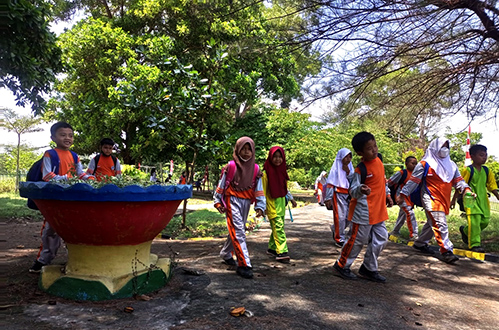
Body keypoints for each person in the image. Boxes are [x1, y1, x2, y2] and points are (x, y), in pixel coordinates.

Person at [29, 122, 95, 273]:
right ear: (53, 137)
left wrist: (91, 178)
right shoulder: (49, 154)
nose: (67, 138)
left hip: (72, 199)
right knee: (50, 230)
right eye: (63, 135)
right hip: (55, 199)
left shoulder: (74, 155)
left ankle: (76, 260)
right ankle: (43, 260)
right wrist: (67, 179)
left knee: (74, 229)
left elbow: (80, 173)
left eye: (70, 135)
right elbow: (47, 175)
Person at [398, 138, 472, 264]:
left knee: (432, 223)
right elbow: (413, 182)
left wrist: (466, 189)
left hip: (444, 200)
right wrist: (403, 195)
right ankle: (446, 250)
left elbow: (458, 180)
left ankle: (420, 244)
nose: (445, 149)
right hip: (430, 199)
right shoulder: (424, 164)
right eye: (442, 145)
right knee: (440, 224)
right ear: (435, 147)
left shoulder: (452, 165)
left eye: (447, 146)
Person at [333, 132, 393, 282]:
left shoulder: (379, 161)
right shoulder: (360, 169)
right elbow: (352, 190)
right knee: (357, 240)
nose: (374, 150)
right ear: (360, 153)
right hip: (363, 212)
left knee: (382, 238)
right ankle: (342, 265)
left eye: (375, 146)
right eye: (369, 148)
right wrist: (361, 189)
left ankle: (368, 268)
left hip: (378, 210)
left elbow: (382, 182)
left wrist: (388, 195)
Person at [214, 137, 266, 279]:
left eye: (249, 149)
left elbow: (259, 188)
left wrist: (260, 205)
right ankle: (244, 264)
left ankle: (225, 253)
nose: (246, 152)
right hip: (231, 200)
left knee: (238, 229)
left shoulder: (255, 169)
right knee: (238, 230)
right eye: (243, 148)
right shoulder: (230, 166)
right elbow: (222, 183)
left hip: (246, 201)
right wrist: (217, 201)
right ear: (237, 149)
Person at [451, 144, 499, 252]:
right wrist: (453, 199)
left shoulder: (487, 171)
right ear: (472, 156)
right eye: (481, 155)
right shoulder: (468, 170)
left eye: (485, 155)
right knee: (474, 221)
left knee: (484, 221)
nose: (484, 157)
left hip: (483, 200)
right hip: (470, 200)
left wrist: (497, 195)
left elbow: (492, 185)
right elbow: (460, 185)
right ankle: (474, 244)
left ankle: (465, 231)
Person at [262, 146, 297, 263]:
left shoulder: (282, 171)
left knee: (278, 226)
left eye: (280, 157)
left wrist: (291, 200)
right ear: (270, 158)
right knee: (278, 227)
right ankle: (282, 251)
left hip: (281, 204)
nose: (277, 159)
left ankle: (272, 248)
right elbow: (262, 192)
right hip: (272, 204)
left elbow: (285, 188)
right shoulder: (265, 174)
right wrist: (262, 207)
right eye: (275, 157)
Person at [324, 148, 353, 247]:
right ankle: (339, 238)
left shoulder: (350, 168)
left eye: (350, 156)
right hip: (338, 194)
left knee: (349, 217)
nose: (348, 159)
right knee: (340, 217)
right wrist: (328, 197)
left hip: (348, 195)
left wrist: (348, 171)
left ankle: (335, 228)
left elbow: (353, 181)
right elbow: (330, 183)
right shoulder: (335, 168)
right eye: (346, 156)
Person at [387, 156, 419, 240]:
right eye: (412, 163)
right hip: (401, 198)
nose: (414, 165)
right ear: (406, 163)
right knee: (409, 213)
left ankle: (395, 231)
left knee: (402, 215)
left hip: (410, 199)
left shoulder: (416, 174)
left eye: (416, 164)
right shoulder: (401, 173)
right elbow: (389, 182)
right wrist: (388, 194)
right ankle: (414, 234)